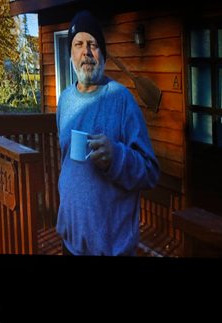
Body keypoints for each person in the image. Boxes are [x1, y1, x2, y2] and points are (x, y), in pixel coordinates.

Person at [56, 10, 160, 256]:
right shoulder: (65, 100)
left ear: (102, 52)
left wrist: (116, 157)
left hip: (111, 248)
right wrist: (63, 216)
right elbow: (66, 163)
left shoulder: (122, 100)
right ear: (70, 54)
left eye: (92, 44)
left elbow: (150, 171)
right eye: (78, 45)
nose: (86, 53)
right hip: (70, 241)